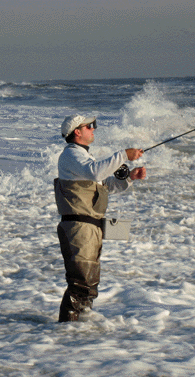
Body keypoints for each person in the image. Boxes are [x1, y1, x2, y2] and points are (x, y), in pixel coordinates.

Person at [54, 114, 147, 322]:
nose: (93, 129)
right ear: (77, 132)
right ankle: (64, 337)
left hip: (91, 227)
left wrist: (130, 178)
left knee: (89, 286)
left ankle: (79, 331)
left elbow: (105, 185)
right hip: (79, 228)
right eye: (89, 126)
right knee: (80, 285)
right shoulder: (71, 155)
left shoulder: (84, 159)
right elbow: (95, 173)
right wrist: (124, 155)